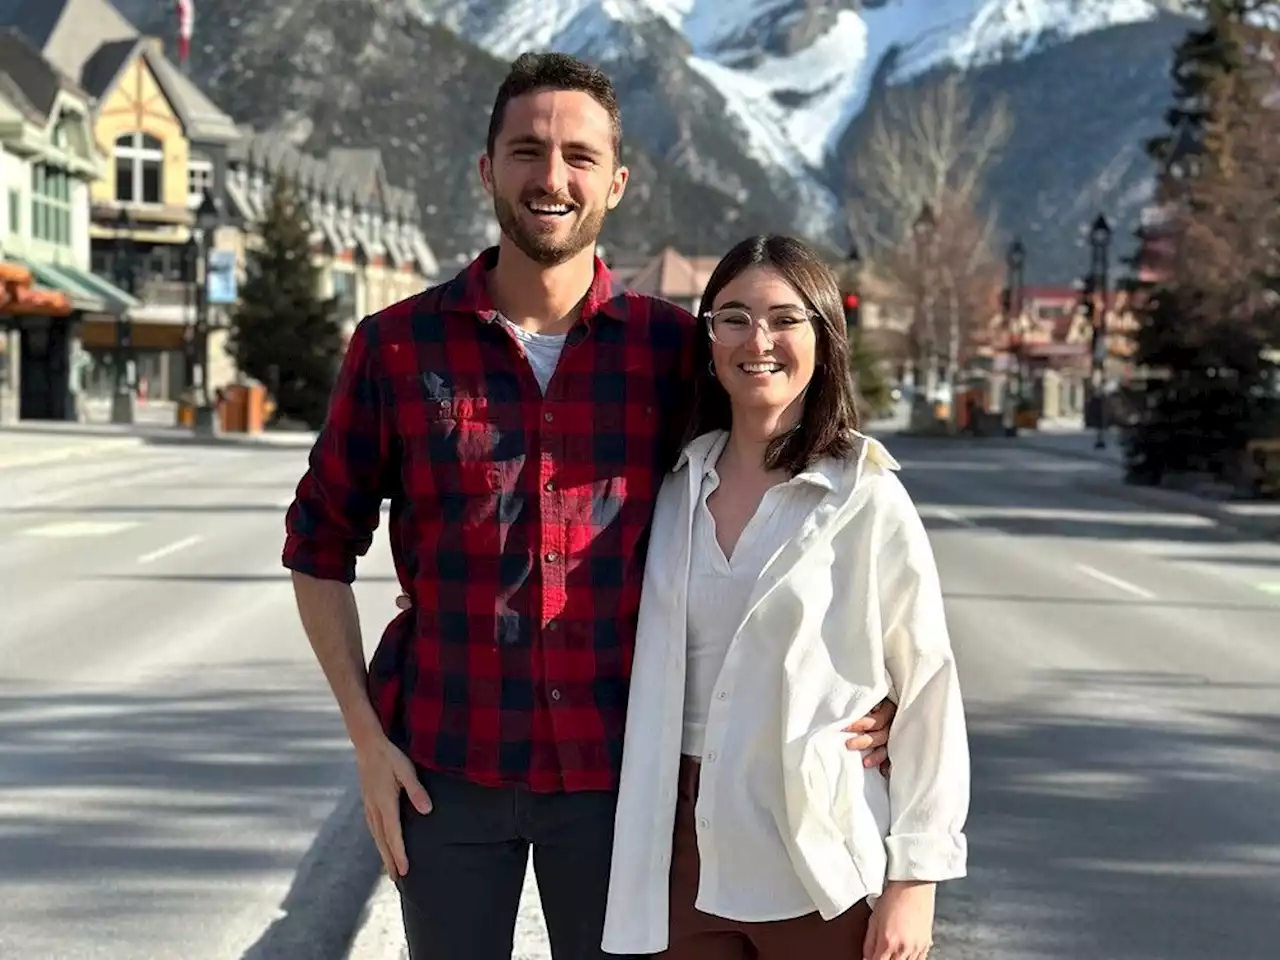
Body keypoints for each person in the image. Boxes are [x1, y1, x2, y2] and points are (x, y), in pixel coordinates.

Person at [282, 52, 896, 960]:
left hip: (625, 781)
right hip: (442, 769)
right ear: (489, 169)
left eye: (578, 155)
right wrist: (368, 744)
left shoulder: (669, 351)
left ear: (616, 181)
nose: (552, 177)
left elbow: (778, 504)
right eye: (527, 150)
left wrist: (863, 687)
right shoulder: (396, 347)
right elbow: (318, 549)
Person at [599, 235, 970, 960]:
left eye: (783, 318)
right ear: (708, 339)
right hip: (679, 854)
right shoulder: (671, 486)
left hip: (817, 860)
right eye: (732, 317)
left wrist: (915, 882)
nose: (757, 340)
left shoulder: (867, 497)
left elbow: (927, 688)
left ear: (823, 337)